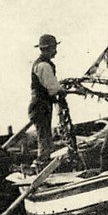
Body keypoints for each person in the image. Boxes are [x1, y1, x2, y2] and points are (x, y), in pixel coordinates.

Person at [28, 34, 66, 169]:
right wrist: (62, 90)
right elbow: (53, 88)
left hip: (41, 105)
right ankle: (41, 166)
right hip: (40, 106)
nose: (56, 51)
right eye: (54, 48)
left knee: (45, 137)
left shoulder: (42, 64)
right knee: (44, 139)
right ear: (49, 49)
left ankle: (44, 165)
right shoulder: (44, 65)